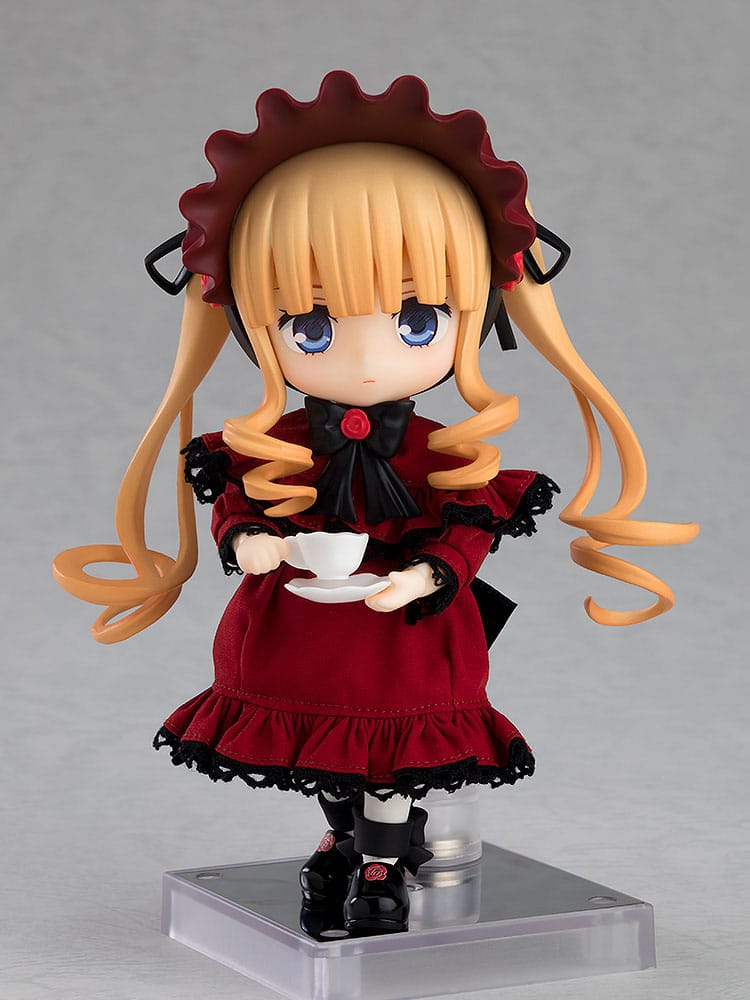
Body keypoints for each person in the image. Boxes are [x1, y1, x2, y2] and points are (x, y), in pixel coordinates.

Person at [53, 72, 698, 937]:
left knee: (394, 756)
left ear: (480, 310)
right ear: (250, 324)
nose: (362, 360)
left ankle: (386, 860)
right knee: (316, 746)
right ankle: (340, 836)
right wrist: (248, 542)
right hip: (300, 630)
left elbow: (470, 526)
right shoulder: (275, 440)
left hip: (406, 635)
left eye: (416, 318)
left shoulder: (442, 451)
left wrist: (429, 575)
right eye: (312, 328)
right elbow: (238, 498)